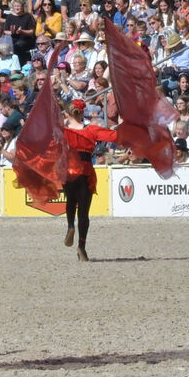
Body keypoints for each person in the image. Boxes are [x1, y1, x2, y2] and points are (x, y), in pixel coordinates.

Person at [61, 98, 118, 262]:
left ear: (68, 113)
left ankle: (70, 226)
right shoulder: (91, 130)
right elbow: (113, 136)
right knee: (84, 212)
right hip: (86, 169)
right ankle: (82, 247)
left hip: (69, 169)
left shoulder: (62, 131)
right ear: (83, 113)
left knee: (70, 201)